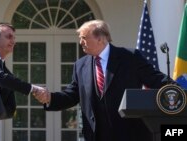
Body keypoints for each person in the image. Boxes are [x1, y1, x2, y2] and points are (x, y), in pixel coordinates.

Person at [33, 19, 175, 141]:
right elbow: (71, 95)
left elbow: (156, 79)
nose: (80, 42)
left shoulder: (130, 57)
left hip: (129, 133)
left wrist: (179, 91)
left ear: (100, 39)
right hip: (96, 135)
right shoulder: (80, 65)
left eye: (84, 37)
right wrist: (49, 98)